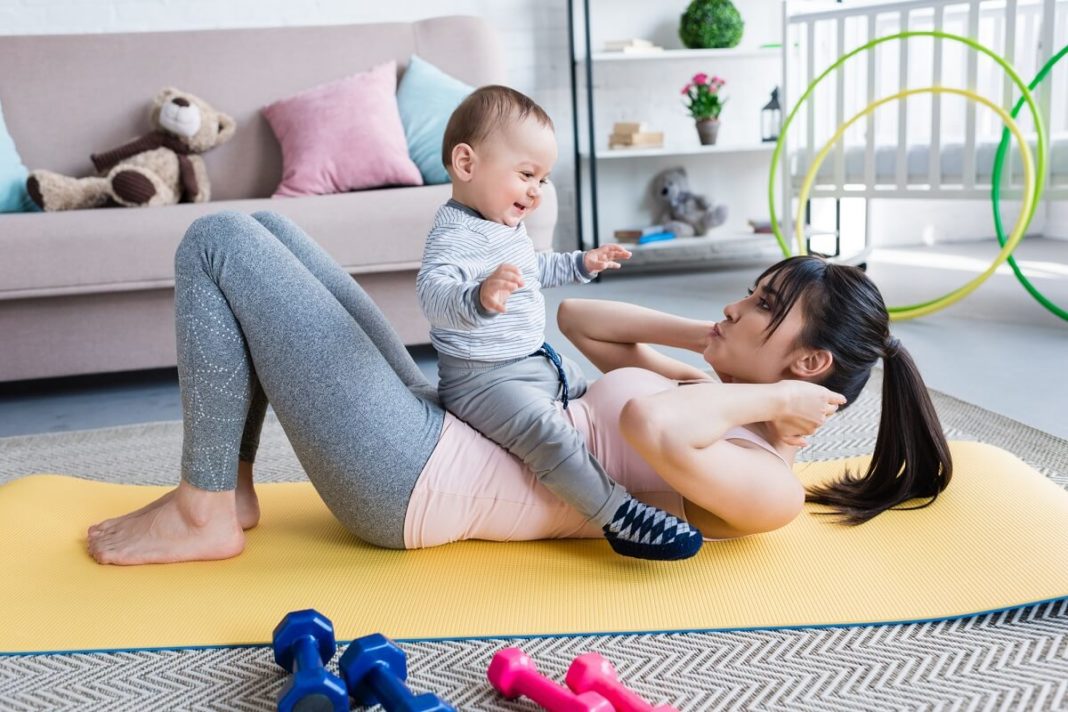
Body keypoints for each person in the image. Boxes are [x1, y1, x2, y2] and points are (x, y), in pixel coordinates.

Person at [86, 210, 952, 566]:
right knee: (268, 229)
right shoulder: (705, 387)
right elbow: (581, 320)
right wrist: (714, 339)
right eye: (751, 293)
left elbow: (652, 428)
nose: (734, 305)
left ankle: (202, 510)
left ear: (809, 367)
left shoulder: (767, 486)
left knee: (218, 243)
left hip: (412, 481)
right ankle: (229, 488)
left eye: (762, 306)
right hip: (435, 423)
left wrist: (772, 405)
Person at [416, 85, 701, 561]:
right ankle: (619, 516)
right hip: (482, 381)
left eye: (543, 179)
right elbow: (432, 296)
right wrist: (478, 297)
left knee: (593, 393)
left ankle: (640, 458)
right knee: (549, 436)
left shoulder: (504, 225)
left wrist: (580, 264)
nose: (536, 190)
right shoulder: (454, 235)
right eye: (526, 174)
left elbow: (534, 269)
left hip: (534, 359)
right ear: (466, 164)